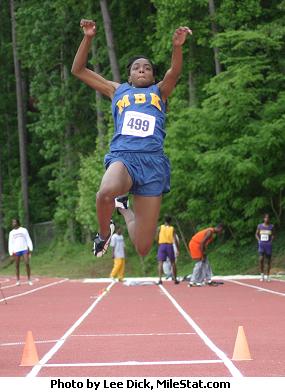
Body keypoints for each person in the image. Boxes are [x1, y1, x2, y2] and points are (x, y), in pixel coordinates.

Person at [71, 20, 192, 258]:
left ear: (153, 75)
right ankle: (104, 233)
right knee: (104, 193)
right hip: (123, 157)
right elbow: (78, 70)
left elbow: (174, 72)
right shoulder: (118, 90)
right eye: (137, 67)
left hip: (152, 163)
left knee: (143, 247)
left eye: (147, 68)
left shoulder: (160, 92)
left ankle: (124, 210)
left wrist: (177, 47)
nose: (142, 70)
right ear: (129, 75)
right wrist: (88, 37)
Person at [8, 218, 33, 286]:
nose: (13, 223)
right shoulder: (11, 233)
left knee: (27, 263)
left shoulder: (23, 230)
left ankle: (29, 280)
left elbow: (28, 239)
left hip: (24, 249)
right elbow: (10, 243)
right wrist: (11, 253)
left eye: (14, 222)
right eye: (12, 222)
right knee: (17, 265)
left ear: (17, 223)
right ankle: (18, 280)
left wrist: (30, 248)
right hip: (16, 250)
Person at [157, 216, 180, 284]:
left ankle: (160, 279)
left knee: (160, 262)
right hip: (169, 245)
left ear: (164, 221)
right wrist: (178, 249)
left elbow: (156, 236)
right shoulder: (172, 228)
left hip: (162, 245)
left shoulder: (160, 227)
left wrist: (159, 242)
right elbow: (175, 239)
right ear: (170, 221)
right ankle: (175, 279)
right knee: (173, 262)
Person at [255, 213, 274, 282]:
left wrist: (271, 241)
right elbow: (256, 234)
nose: (267, 219)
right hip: (261, 244)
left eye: (268, 218)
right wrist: (258, 240)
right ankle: (262, 275)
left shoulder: (271, 226)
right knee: (261, 259)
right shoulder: (259, 226)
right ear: (263, 219)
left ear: (269, 219)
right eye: (265, 218)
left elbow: (273, 235)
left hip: (268, 245)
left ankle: (268, 276)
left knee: (268, 261)